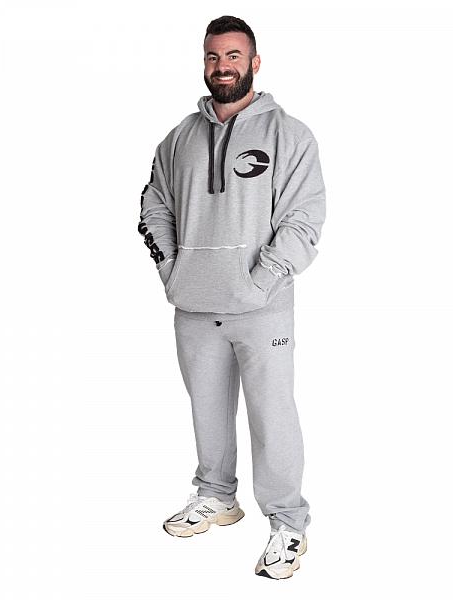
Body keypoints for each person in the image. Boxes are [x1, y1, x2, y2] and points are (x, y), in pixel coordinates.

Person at [137, 15, 326, 579]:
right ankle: (217, 495)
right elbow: (154, 205)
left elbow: (303, 220)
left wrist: (260, 281)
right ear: (204, 62)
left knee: (272, 416)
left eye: (234, 56)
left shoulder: (290, 135)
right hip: (194, 305)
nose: (223, 67)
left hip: (262, 308)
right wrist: (173, 271)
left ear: (255, 62)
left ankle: (288, 523)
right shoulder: (178, 139)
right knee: (207, 409)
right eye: (214, 57)